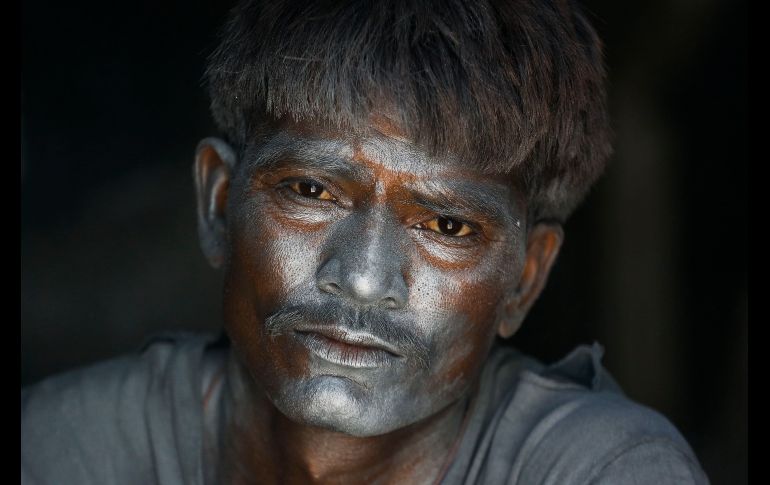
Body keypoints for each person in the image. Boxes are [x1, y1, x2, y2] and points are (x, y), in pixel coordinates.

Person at [21, 0, 710, 483]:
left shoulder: (601, 471)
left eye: (447, 226)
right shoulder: (66, 448)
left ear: (524, 279)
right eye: (311, 191)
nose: (360, 278)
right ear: (219, 203)